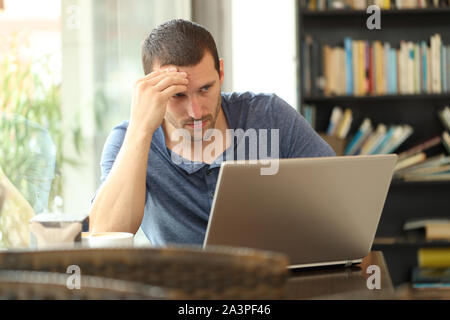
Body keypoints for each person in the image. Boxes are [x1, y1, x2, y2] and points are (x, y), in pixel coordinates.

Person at [88, 19, 335, 246]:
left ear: (221, 73)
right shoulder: (127, 139)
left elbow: (338, 201)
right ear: (151, 90)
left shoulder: (269, 114)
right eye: (178, 95)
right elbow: (105, 234)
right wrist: (139, 131)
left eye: (205, 88)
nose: (196, 111)